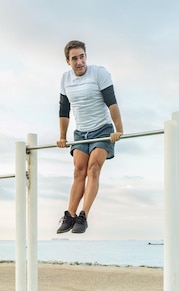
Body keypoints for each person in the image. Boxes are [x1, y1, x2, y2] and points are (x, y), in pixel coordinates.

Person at [56, 40, 124, 234]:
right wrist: (62, 136)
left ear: (86, 56)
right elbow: (64, 109)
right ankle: (70, 215)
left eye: (82, 56)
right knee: (79, 171)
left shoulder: (99, 73)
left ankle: (83, 216)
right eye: (74, 58)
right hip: (81, 132)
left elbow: (112, 103)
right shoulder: (65, 79)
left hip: (102, 129)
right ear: (68, 61)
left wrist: (119, 130)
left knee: (93, 168)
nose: (79, 62)